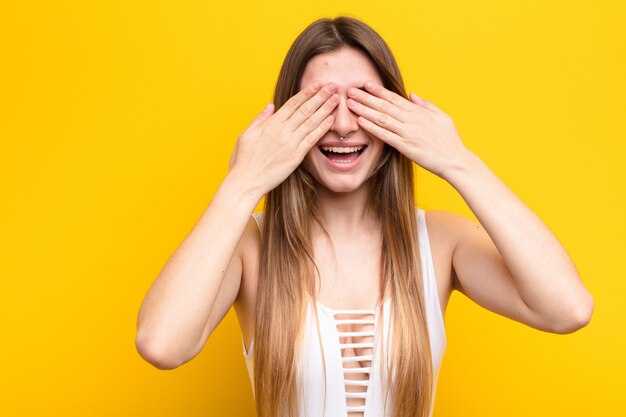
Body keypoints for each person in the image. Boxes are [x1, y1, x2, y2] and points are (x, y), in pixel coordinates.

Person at [135, 16, 594, 417]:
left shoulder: (440, 242)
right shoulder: (248, 248)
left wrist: (458, 161)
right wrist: (243, 182)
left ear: (394, 113)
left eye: (361, 101)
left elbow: (567, 308)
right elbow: (162, 344)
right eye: (319, 105)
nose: (341, 125)